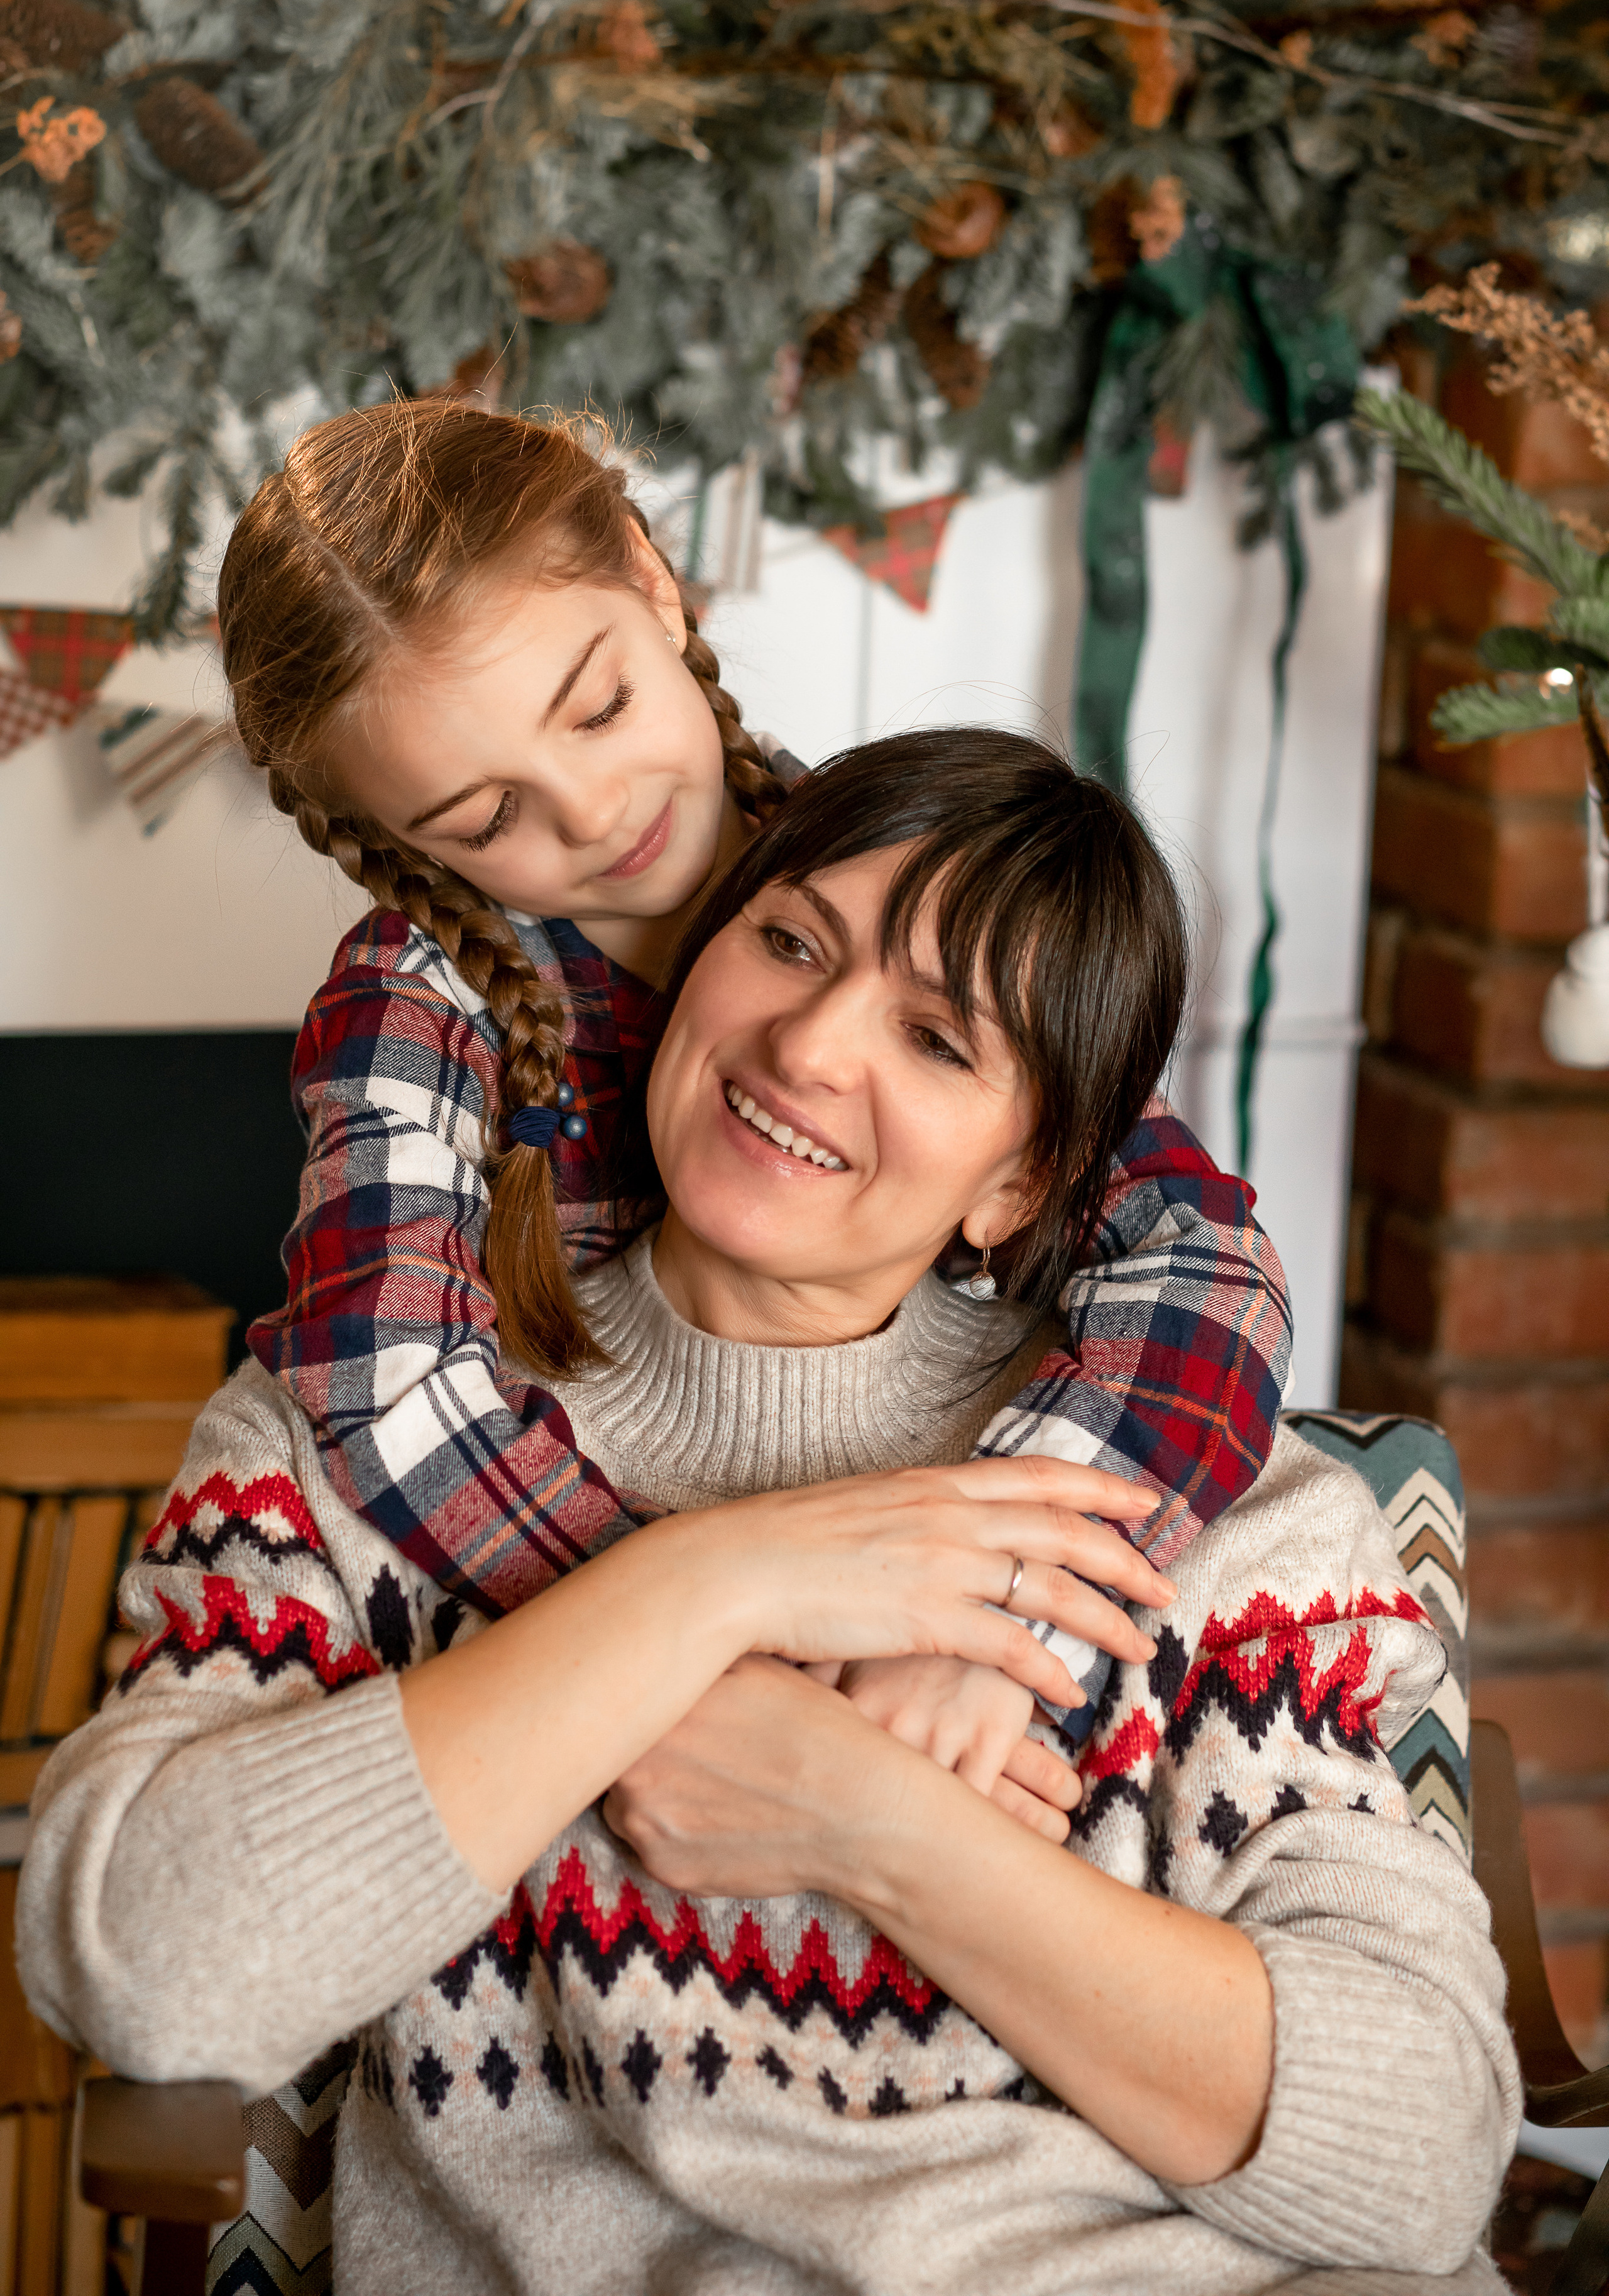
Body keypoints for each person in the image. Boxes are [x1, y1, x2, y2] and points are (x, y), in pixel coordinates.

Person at [18, 733, 1516, 2296]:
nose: (807, 1047)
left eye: (939, 1041)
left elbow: (1419, 2159)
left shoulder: (1207, 1515)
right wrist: (709, 1583)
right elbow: (142, 1972)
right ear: (689, 964)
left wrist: (864, 1820)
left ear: (1023, 1183)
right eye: (789, 941)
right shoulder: (362, 1437)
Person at [219, 400, 1292, 1789]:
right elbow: (387, 1378)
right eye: (488, 818)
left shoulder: (891, 863)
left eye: (598, 706)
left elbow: (1197, 1253)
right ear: (384, 834)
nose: (598, 813)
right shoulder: (420, 1006)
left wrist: (995, 1601)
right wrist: (715, 1658)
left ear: (650, 574)